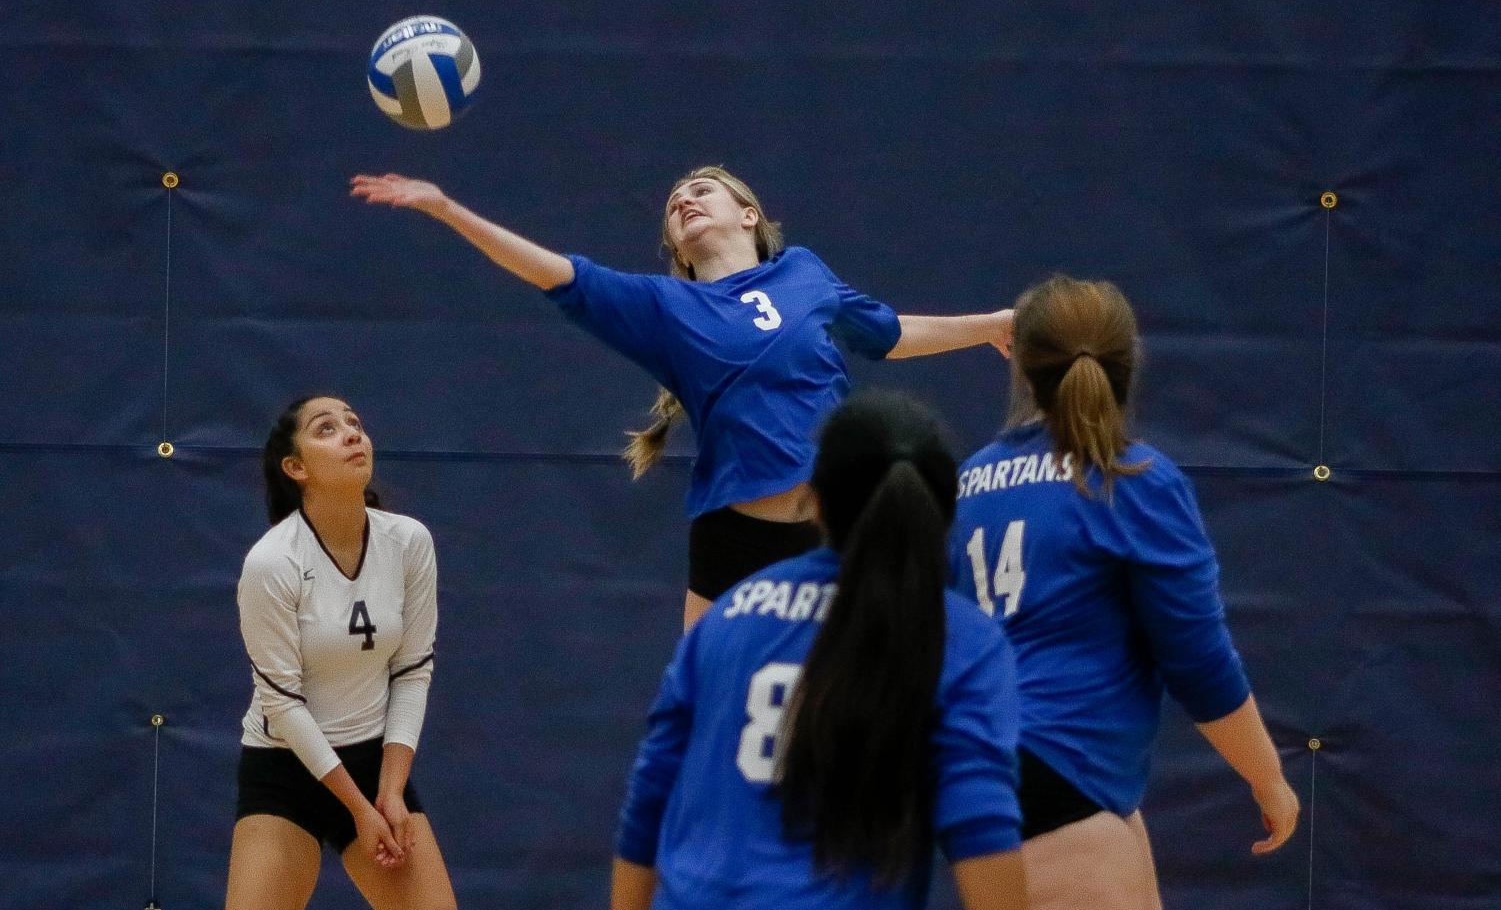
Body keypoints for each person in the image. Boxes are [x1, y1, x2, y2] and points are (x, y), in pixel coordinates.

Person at [351, 167, 1013, 628]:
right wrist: (446, 209)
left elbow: (889, 332)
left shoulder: (803, 271)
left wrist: (990, 325)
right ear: (674, 245)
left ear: (748, 215)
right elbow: (553, 272)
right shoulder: (667, 305)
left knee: (868, 698)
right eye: (674, 203)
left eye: (702, 191)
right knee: (705, 716)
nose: (685, 201)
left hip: (839, 521)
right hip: (736, 533)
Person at [948, 276, 1300, 910]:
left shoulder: (970, 480)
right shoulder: (1131, 478)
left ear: (1020, 364)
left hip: (989, 766)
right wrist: (1268, 778)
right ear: (1130, 362)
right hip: (1059, 767)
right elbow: (1197, 660)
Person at [611, 391, 1027, 910]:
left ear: (816, 500)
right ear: (943, 508)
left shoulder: (729, 615)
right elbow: (982, 830)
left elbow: (649, 803)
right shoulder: (960, 637)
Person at [227, 396, 457, 910]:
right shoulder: (272, 562)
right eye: (326, 429)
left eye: (355, 422)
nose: (352, 433)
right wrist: (358, 807)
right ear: (296, 467)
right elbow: (282, 705)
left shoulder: (409, 541)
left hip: (377, 768)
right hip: (285, 771)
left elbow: (414, 671)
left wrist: (390, 792)